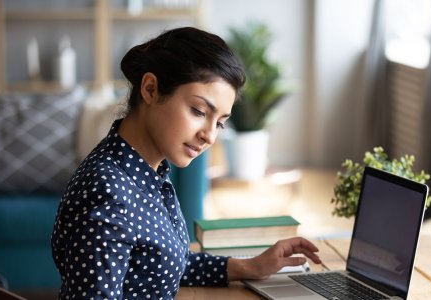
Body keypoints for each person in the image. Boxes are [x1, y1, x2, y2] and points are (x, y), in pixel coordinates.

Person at [50, 27, 322, 299]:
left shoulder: (148, 172)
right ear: (150, 89)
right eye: (199, 111)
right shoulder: (108, 192)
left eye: (220, 124)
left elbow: (162, 265)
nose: (209, 135)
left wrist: (251, 266)